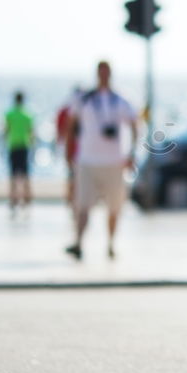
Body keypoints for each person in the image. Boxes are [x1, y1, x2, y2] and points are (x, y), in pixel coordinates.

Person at [65, 62, 138, 260]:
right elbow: (71, 127)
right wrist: (68, 154)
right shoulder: (84, 99)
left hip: (114, 162)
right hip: (87, 160)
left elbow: (134, 124)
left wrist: (131, 153)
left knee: (114, 207)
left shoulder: (120, 99)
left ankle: (111, 244)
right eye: (101, 72)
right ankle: (79, 243)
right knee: (83, 205)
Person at [4, 91, 34, 216]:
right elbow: (31, 133)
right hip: (24, 146)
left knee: (13, 175)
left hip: (13, 146)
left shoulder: (9, 114)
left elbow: (6, 130)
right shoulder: (28, 115)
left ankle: (13, 200)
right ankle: (27, 200)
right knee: (25, 174)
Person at [55, 86, 82, 213]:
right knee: (74, 175)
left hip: (74, 148)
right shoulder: (78, 110)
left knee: (73, 175)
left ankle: (72, 200)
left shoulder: (66, 110)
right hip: (74, 148)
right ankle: (73, 200)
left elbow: (59, 131)